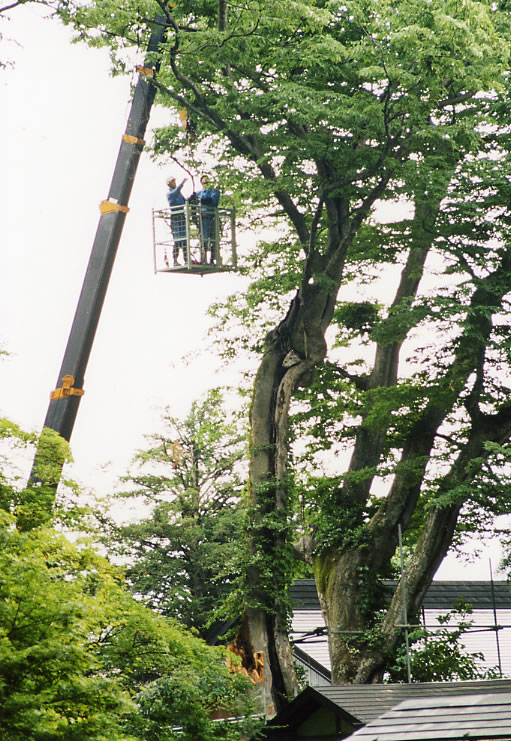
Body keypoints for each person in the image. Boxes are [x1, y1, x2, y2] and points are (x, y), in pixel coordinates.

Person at [196, 175, 220, 264]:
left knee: (213, 239)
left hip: (212, 218)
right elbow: (192, 199)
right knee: (204, 239)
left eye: (207, 182)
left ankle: (213, 258)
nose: (206, 184)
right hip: (203, 219)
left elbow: (213, 201)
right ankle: (203, 258)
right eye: (204, 183)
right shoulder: (199, 193)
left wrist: (201, 200)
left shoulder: (214, 192)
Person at [166, 175, 187, 265]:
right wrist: (182, 183)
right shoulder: (170, 194)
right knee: (177, 239)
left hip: (182, 217)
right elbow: (176, 191)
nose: (175, 183)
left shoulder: (179, 194)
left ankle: (186, 260)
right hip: (175, 217)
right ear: (169, 184)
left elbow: (184, 201)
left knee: (185, 239)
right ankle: (175, 260)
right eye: (173, 181)